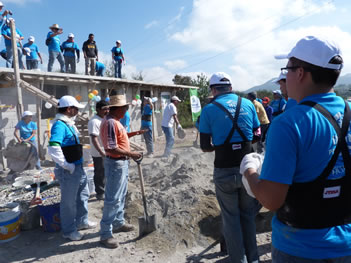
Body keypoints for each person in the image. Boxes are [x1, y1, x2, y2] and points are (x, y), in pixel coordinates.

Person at [241, 35, 351, 262]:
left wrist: (249, 172)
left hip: (300, 248)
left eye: (287, 70)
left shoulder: (288, 124)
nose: (285, 77)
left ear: (300, 73)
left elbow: (271, 200)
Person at [199, 72, 260, 263]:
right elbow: (257, 136)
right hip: (248, 170)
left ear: (213, 90)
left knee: (231, 219)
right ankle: (254, 259)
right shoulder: (248, 104)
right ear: (231, 88)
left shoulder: (209, 110)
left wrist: (221, 143)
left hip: (224, 169)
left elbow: (205, 146)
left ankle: (238, 260)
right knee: (248, 216)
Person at [48, 95, 96, 241]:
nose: (77, 111)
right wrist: (66, 165)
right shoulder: (59, 125)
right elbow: (53, 146)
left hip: (77, 166)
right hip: (68, 170)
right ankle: (69, 230)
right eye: (76, 109)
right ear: (69, 109)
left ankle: (82, 221)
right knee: (68, 202)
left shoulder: (68, 123)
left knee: (83, 195)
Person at [99, 95, 142, 248]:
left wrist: (135, 133)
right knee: (112, 199)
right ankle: (105, 234)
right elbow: (111, 147)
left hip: (121, 162)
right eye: (125, 108)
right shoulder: (110, 122)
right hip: (115, 163)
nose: (126, 110)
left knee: (121, 195)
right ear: (117, 109)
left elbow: (119, 139)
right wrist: (132, 154)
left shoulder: (115, 121)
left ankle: (118, 223)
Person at [88, 100, 109, 201]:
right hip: (98, 153)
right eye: (104, 109)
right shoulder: (94, 121)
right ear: (97, 110)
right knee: (100, 173)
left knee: (105, 172)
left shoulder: (104, 119)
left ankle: (105, 190)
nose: (107, 111)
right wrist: (101, 152)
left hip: (106, 151)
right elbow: (94, 138)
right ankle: (100, 193)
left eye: (108, 108)